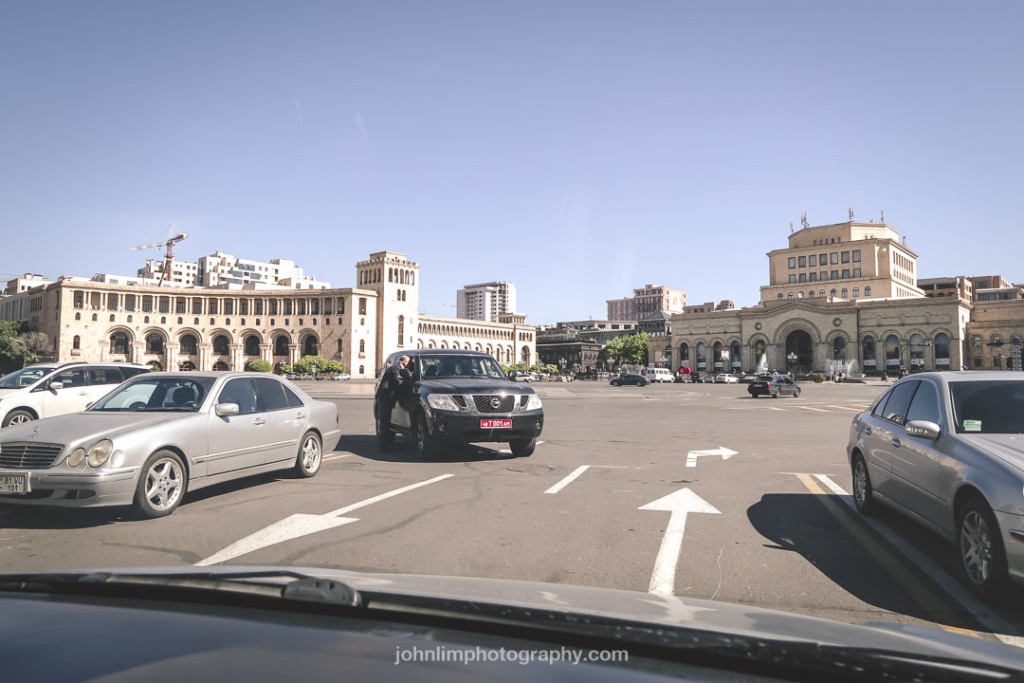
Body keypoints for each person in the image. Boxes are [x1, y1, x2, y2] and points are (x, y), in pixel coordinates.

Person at [376, 355, 413, 428]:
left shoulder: (395, 367)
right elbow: (396, 380)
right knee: (385, 417)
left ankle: (385, 433)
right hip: (386, 396)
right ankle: (385, 437)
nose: (409, 365)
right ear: (404, 362)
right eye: (408, 363)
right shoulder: (396, 368)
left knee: (385, 416)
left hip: (386, 395)